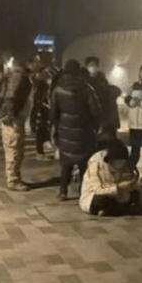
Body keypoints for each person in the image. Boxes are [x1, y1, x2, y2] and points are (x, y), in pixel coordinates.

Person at [51, 59, 100, 201]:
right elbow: (96, 111)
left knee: (66, 162)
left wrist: (56, 128)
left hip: (65, 131)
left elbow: (53, 113)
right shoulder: (86, 88)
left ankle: (63, 191)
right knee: (83, 162)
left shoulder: (58, 89)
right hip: (84, 130)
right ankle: (82, 191)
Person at [0, 58, 40, 192]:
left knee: (17, 150)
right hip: (13, 120)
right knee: (14, 149)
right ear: (28, 62)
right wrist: (11, 116)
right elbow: (10, 97)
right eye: (36, 61)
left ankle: (15, 177)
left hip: (16, 119)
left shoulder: (23, 76)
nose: (38, 64)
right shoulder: (18, 76)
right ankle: (13, 181)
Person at [80, 138, 141, 216]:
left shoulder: (124, 167)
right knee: (102, 200)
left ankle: (112, 211)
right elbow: (98, 190)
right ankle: (122, 210)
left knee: (135, 195)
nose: (121, 166)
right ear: (111, 161)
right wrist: (118, 188)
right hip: (95, 197)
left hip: (117, 197)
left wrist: (131, 184)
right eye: (119, 163)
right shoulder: (96, 166)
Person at [85, 56, 122, 140]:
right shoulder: (84, 81)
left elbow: (109, 96)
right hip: (89, 115)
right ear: (87, 67)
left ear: (98, 67)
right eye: (90, 65)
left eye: (94, 65)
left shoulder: (103, 81)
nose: (92, 68)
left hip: (102, 115)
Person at [30, 67, 52, 161]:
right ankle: (40, 153)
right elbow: (40, 105)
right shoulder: (41, 91)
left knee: (41, 134)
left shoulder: (38, 90)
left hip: (40, 117)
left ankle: (40, 152)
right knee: (41, 134)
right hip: (41, 117)